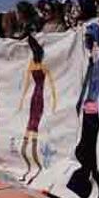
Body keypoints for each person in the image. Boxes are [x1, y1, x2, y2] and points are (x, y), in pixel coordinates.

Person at [67, 23, 99, 198]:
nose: (87, 43)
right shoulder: (91, 61)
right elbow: (87, 84)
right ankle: (83, 185)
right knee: (84, 148)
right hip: (89, 109)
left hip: (94, 111)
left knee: (91, 150)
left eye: (89, 39)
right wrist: (80, 101)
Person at [18, 35, 57, 184]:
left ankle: (35, 166)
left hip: (39, 97)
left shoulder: (40, 67)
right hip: (35, 97)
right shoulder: (35, 66)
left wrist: (53, 102)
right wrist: (22, 100)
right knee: (30, 126)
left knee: (33, 127)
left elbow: (51, 85)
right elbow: (28, 84)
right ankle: (29, 166)